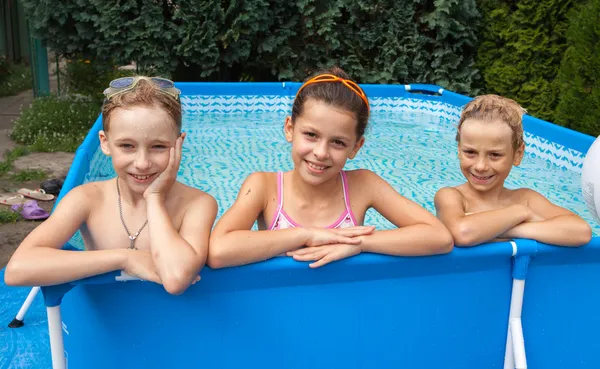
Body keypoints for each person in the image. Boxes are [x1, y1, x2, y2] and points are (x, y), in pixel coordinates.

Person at [208, 67, 453, 269]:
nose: (321, 153)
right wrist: (305, 235)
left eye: (338, 142)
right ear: (290, 129)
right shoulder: (263, 186)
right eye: (311, 135)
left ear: (356, 147)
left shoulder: (363, 185)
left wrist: (360, 243)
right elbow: (219, 250)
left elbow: (438, 237)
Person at [5, 76, 217, 295]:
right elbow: (17, 270)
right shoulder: (87, 199)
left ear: (178, 144)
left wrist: (154, 197)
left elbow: (177, 279)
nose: (142, 163)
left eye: (158, 147)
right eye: (127, 145)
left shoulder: (197, 204)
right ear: (105, 143)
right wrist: (125, 258)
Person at [434, 94, 592, 247]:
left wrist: (509, 229)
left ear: (518, 154)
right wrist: (521, 213)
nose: (480, 166)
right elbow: (462, 233)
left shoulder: (526, 198)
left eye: (495, 155)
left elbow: (581, 231)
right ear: (459, 150)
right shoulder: (451, 196)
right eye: (470, 152)